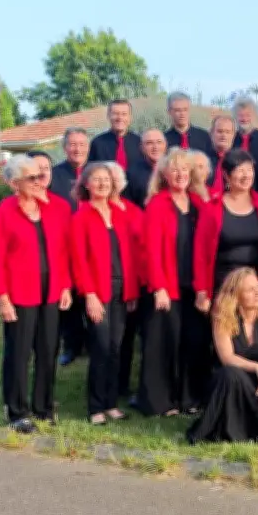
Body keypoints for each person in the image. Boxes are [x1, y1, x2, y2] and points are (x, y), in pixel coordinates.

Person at [0, 154, 72, 433]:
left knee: (48, 351)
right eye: (31, 178)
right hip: (19, 295)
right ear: (14, 183)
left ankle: (44, 407)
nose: (39, 181)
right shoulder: (4, 213)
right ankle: (17, 412)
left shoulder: (58, 208)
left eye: (40, 175)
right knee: (19, 354)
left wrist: (66, 285)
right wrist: (2, 297)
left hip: (51, 293)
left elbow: (64, 252)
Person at [138, 148, 207, 416]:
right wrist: (159, 287)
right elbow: (150, 249)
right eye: (175, 170)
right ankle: (161, 401)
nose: (180, 175)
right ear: (164, 174)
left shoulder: (198, 204)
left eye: (185, 170)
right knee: (163, 344)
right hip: (167, 286)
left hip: (194, 286)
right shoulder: (157, 204)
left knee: (193, 342)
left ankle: (189, 398)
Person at [70, 163, 139, 425]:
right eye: (96, 179)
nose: (102, 184)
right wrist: (89, 295)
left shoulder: (119, 214)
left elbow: (129, 257)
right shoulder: (81, 217)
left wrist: (132, 290)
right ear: (86, 185)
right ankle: (96, 406)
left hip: (122, 289)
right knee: (99, 347)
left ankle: (111, 403)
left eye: (106, 179)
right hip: (98, 290)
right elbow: (79, 260)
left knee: (115, 347)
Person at [186, 268, 258, 444]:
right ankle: (229, 433)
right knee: (231, 373)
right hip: (227, 381)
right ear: (236, 295)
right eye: (250, 290)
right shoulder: (222, 317)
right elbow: (227, 358)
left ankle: (253, 433)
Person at [193, 149, 258, 311]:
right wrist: (201, 290)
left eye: (249, 170)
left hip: (255, 285)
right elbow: (201, 252)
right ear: (227, 175)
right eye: (240, 170)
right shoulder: (212, 208)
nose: (246, 175)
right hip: (223, 284)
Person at [47, 129, 90, 367]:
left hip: (92, 243)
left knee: (90, 292)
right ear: (65, 148)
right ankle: (72, 344)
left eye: (81, 144)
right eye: (72, 145)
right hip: (64, 242)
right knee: (68, 295)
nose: (77, 149)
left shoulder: (97, 171)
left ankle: (92, 340)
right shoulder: (54, 175)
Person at [106, 162, 147, 402]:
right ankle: (107, 387)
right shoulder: (99, 210)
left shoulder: (133, 210)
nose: (110, 183)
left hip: (134, 282)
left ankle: (121, 384)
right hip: (109, 282)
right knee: (109, 340)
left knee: (127, 338)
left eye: (114, 178)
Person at [88, 99, 144, 169]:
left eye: (124, 114)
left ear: (130, 117)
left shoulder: (140, 143)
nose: (120, 118)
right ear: (108, 116)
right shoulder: (97, 143)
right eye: (115, 114)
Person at [164, 91, 215, 156]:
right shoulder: (164, 140)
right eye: (177, 110)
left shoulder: (204, 137)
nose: (182, 114)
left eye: (185, 109)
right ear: (169, 112)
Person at [127, 129, 167, 208]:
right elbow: (128, 205)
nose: (155, 147)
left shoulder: (175, 170)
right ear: (142, 147)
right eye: (149, 143)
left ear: (165, 145)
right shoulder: (132, 174)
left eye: (159, 142)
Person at [208, 115, 237, 191]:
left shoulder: (240, 162)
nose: (223, 136)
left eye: (228, 132)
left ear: (233, 135)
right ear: (211, 133)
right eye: (220, 131)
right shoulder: (202, 159)